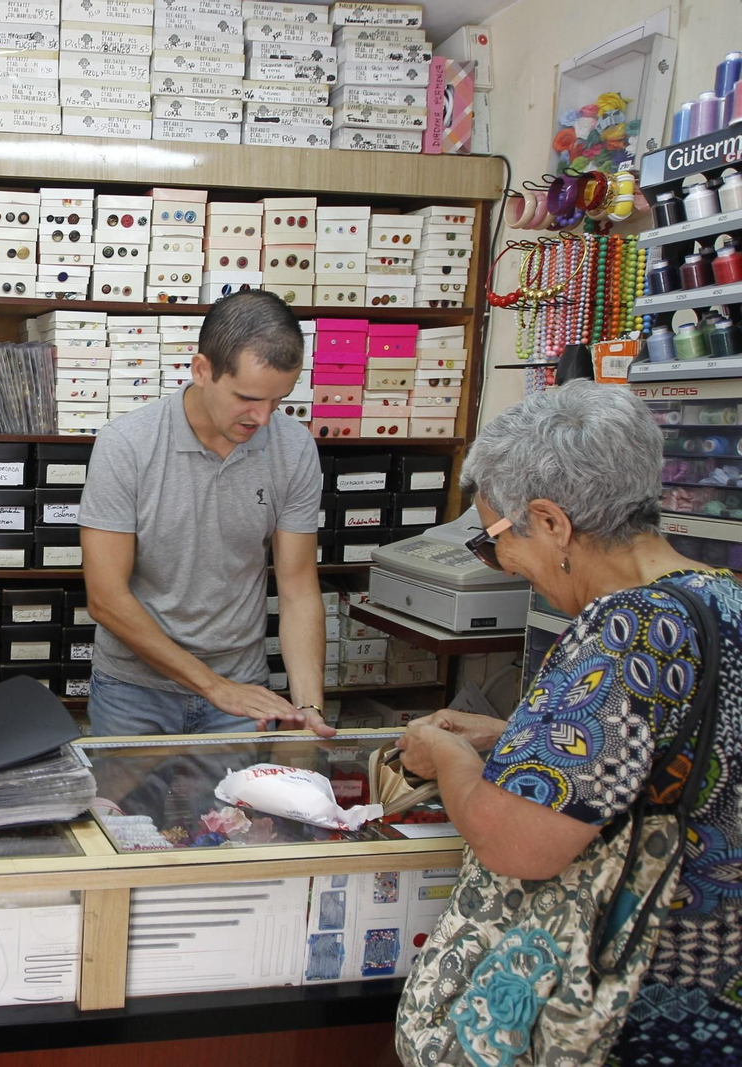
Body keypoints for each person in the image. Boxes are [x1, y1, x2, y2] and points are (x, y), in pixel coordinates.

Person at [396, 381, 742, 1067]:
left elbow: (518, 843)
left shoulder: (628, 628)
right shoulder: (720, 595)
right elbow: (668, 755)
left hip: (634, 995)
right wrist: (509, 735)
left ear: (552, 522)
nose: (500, 562)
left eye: (494, 537)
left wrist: (449, 758)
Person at [79, 289, 332, 737]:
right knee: (125, 810)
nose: (264, 419)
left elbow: (297, 589)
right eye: (248, 398)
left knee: (235, 811)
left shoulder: (294, 449)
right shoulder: (126, 445)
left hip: (242, 689)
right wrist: (212, 686)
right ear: (202, 370)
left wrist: (308, 704)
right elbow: (106, 598)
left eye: (278, 401)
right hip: (133, 691)